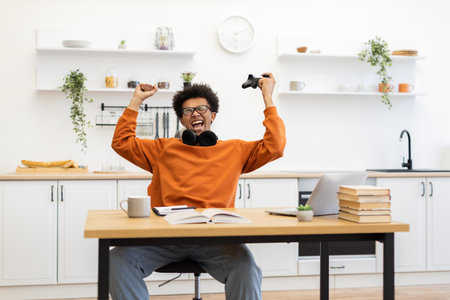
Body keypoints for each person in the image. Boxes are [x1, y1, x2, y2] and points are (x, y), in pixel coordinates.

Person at [110, 73, 286, 300]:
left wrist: (267, 97)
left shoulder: (235, 150)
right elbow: (121, 143)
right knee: (116, 261)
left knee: (247, 269)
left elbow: (276, 146)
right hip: (164, 238)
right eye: (187, 111)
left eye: (201, 108)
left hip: (216, 240)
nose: (195, 114)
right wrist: (136, 100)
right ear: (182, 121)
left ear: (213, 115)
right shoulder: (163, 149)